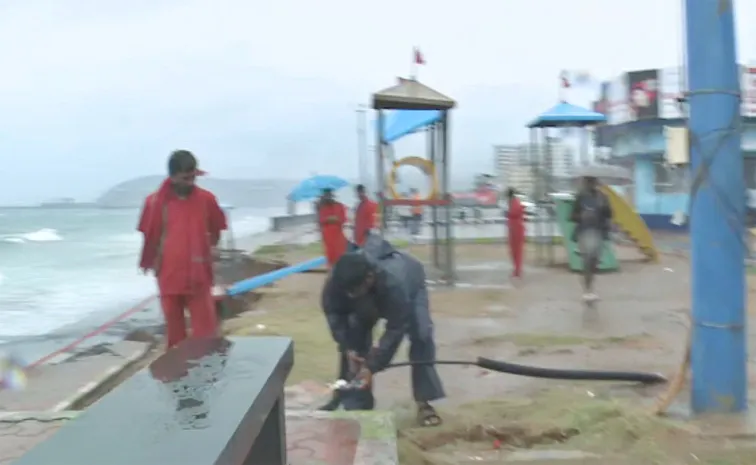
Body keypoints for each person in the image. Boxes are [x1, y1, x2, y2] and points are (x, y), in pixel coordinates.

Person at [319, 235, 445, 426]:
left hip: (410, 285)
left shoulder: (394, 283)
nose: (350, 296)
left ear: (369, 278)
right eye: (347, 292)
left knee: (421, 334)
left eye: (354, 291)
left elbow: (395, 329)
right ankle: (357, 405)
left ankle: (424, 401)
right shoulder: (339, 279)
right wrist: (348, 347)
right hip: (370, 293)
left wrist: (372, 366)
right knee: (354, 336)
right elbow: (334, 313)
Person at [138, 150, 227, 348]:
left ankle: (208, 377)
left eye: (193, 177)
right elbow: (149, 237)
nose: (190, 182)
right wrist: (153, 262)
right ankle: (176, 377)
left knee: (206, 334)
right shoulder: (153, 203)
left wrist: (206, 252)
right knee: (175, 336)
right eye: (185, 178)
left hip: (198, 276)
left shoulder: (207, 200)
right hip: (169, 276)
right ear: (172, 176)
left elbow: (215, 232)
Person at [570, 176, 613, 302]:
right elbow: (572, 216)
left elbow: (609, 214)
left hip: (598, 231)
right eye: (587, 182)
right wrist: (582, 216)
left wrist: (604, 207)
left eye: (592, 182)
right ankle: (588, 289)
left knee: (594, 261)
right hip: (585, 231)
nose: (590, 185)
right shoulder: (581, 197)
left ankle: (590, 286)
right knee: (587, 261)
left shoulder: (603, 197)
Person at [317, 188, 348, 267]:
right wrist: (331, 219)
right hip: (328, 237)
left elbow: (343, 219)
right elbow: (321, 221)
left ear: (332, 195)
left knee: (340, 256)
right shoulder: (322, 207)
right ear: (323, 196)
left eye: (329, 195)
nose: (327, 197)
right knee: (330, 258)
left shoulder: (339, 206)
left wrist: (332, 219)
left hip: (338, 236)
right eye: (325, 195)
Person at [505, 188, 525, 279]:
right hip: (513, 227)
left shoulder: (515, 202)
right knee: (513, 250)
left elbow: (514, 213)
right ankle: (516, 269)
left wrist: (508, 213)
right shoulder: (513, 202)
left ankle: (517, 270)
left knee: (517, 250)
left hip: (516, 228)